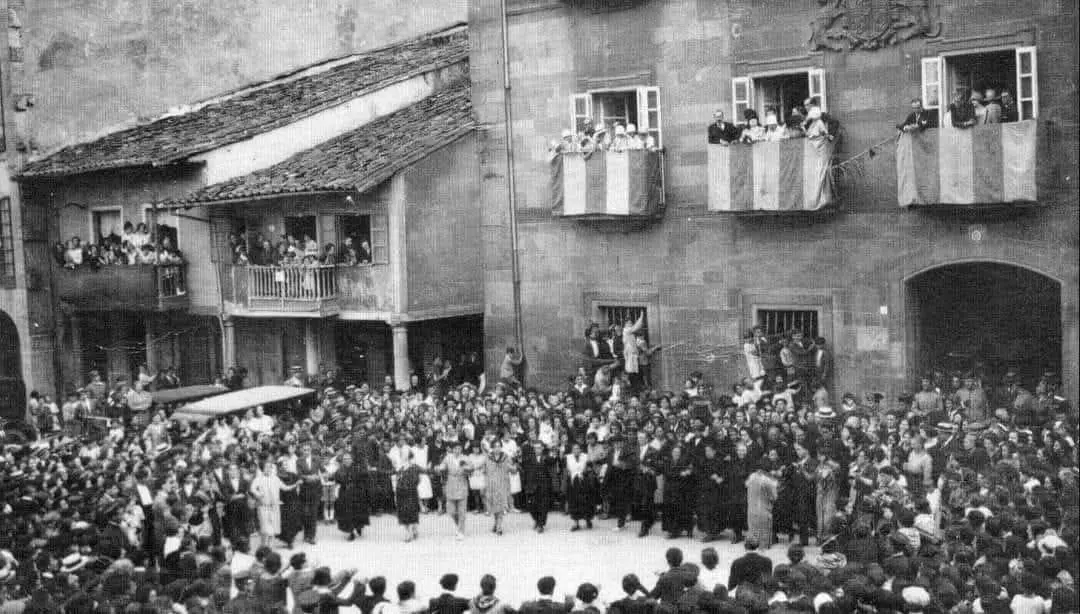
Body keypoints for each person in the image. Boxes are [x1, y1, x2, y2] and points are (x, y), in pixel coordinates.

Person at [334, 452, 371, 541]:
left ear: (352, 459)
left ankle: (358, 527)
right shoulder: (340, 469)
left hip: (358, 493)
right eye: (345, 459)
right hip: (345, 494)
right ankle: (351, 532)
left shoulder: (357, 468)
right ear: (342, 461)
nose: (347, 461)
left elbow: (365, 476)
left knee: (358, 512)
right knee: (347, 514)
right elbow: (338, 479)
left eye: (348, 459)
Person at [439, 441, 471, 540]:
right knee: (451, 511)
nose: (457, 450)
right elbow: (442, 465)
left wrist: (466, 468)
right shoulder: (448, 457)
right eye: (455, 448)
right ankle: (458, 525)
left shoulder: (465, 458)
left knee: (462, 511)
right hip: (451, 483)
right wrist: (440, 468)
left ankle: (461, 531)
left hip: (462, 483)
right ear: (452, 449)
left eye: (459, 448)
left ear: (461, 449)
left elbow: (471, 467)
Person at [484, 439, 515, 535]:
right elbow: (484, 469)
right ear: (492, 448)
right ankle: (496, 522)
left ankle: (499, 526)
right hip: (492, 484)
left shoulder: (505, 457)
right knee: (494, 505)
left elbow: (511, 468)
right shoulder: (488, 457)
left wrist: (513, 468)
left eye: (499, 446)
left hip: (502, 483)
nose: (497, 448)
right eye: (495, 446)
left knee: (501, 505)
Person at [565, 442, 597, 531]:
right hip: (573, 482)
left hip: (584, 481)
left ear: (580, 449)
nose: (576, 450)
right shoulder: (568, 457)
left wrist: (586, 470)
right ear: (572, 450)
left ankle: (588, 520)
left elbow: (590, 468)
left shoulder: (585, 456)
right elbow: (567, 470)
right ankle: (576, 523)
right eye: (574, 449)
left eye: (578, 448)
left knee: (586, 501)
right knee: (574, 502)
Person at [745, 465, 778, 547]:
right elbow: (774, 497)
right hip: (763, 511)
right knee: (764, 537)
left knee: (753, 532)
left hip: (751, 510)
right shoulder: (767, 480)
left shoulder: (751, 477)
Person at [396, 451, 424, 541]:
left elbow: (422, 476)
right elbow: (396, 478)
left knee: (412, 511)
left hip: (411, 492)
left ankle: (414, 528)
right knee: (403, 513)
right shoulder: (400, 467)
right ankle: (408, 533)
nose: (404, 458)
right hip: (400, 492)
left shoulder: (415, 467)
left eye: (406, 456)